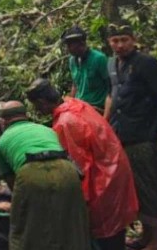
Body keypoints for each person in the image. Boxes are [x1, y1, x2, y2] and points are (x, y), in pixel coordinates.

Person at [26, 79, 138, 250]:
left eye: (36, 106)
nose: (36, 111)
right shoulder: (76, 103)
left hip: (102, 181)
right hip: (115, 170)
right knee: (115, 230)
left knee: (104, 235)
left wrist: (79, 204)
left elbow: (78, 168)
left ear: (41, 103)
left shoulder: (66, 123)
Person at [104, 23, 157, 250]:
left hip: (143, 136)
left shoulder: (147, 63)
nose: (120, 45)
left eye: (124, 40)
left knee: (148, 187)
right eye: (115, 41)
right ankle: (145, 235)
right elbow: (111, 95)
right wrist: (104, 126)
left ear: (133, 40)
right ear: (109, 43)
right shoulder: (111, 64)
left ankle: (155, 240)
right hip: (120, 134)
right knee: (133, 188)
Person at [0, 101, 91, 250]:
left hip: (30, 171)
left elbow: (14, 186)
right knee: (72, 226)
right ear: (26, 116)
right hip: (66, 169)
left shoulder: (1, 141)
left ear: (3, 121)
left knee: (24, 228)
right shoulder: (46, 129)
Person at [61, 26, 110, 111]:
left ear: (81, 43)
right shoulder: (72, 60)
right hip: (80, 107)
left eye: (70, 45)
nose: (68, 48)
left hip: (97, 108)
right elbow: (75, 84)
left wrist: (106, 115)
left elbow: (111, 87)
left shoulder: (99, 59)